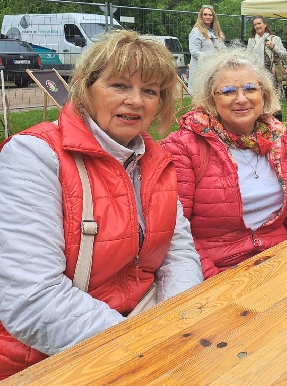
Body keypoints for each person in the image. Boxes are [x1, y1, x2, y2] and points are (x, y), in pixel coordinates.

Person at [0, 31, 203, 380]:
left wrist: (178, 324)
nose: (135, 101)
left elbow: (178, 253)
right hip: (53, 353)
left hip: (147, 326)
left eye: (150, 91)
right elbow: (31, 299)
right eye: (119, 85)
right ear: (85, 87)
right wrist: (142, 345)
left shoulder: (155, 160)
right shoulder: (34, 156)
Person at [161, 48, 287, 278]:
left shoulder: (277, 137)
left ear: (263, 94)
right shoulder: (184, 146)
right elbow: (176, 231)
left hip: (283, 258)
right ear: (211, 99)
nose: (241, 99)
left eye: (251, 89)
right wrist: (215, 281)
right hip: (220, 269)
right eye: (228, 91)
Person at [246, 15, 287, 100]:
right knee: (259, 98)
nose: (257, 26)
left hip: (272, 75)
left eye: (259, 23)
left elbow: (284, 55)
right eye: (255, 25)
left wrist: (273, 47)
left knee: (273, 99)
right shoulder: (251, 41)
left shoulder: (275, 39)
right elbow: (248, 58)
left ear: (265, 24)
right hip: (256, 75)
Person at [189, 4, 226, 92]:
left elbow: (223, 50)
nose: (208, 17)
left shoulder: (216, 32)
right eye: (205, 14)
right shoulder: (196, 31)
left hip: (215, 71)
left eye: (210, 15)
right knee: (202, 96)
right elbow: (194, 52)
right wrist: (212, 57)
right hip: (201, 71)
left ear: (213, 17)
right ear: (201, 16)